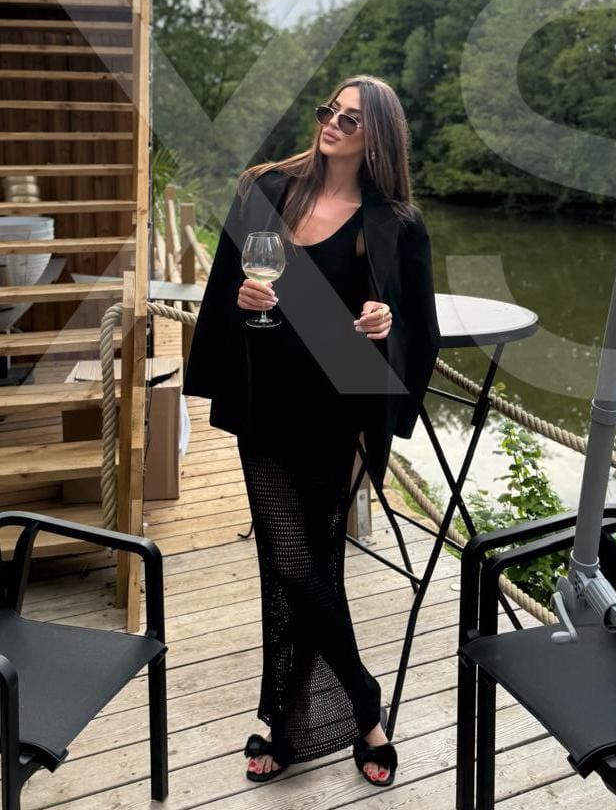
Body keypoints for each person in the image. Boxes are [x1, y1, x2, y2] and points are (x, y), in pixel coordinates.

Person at [181, 74, 441, 787]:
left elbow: (418, 328)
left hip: (335, 412)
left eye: (351, 119)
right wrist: (243, 300)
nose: (332, 123)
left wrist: (383, 325)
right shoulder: (266, 189)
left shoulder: (395, 223)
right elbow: (225, 291)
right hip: (266, 403)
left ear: (379, 136)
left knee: (309, 566)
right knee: (291, 563)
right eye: (331, 110)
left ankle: (286, 721)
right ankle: (362, 704)